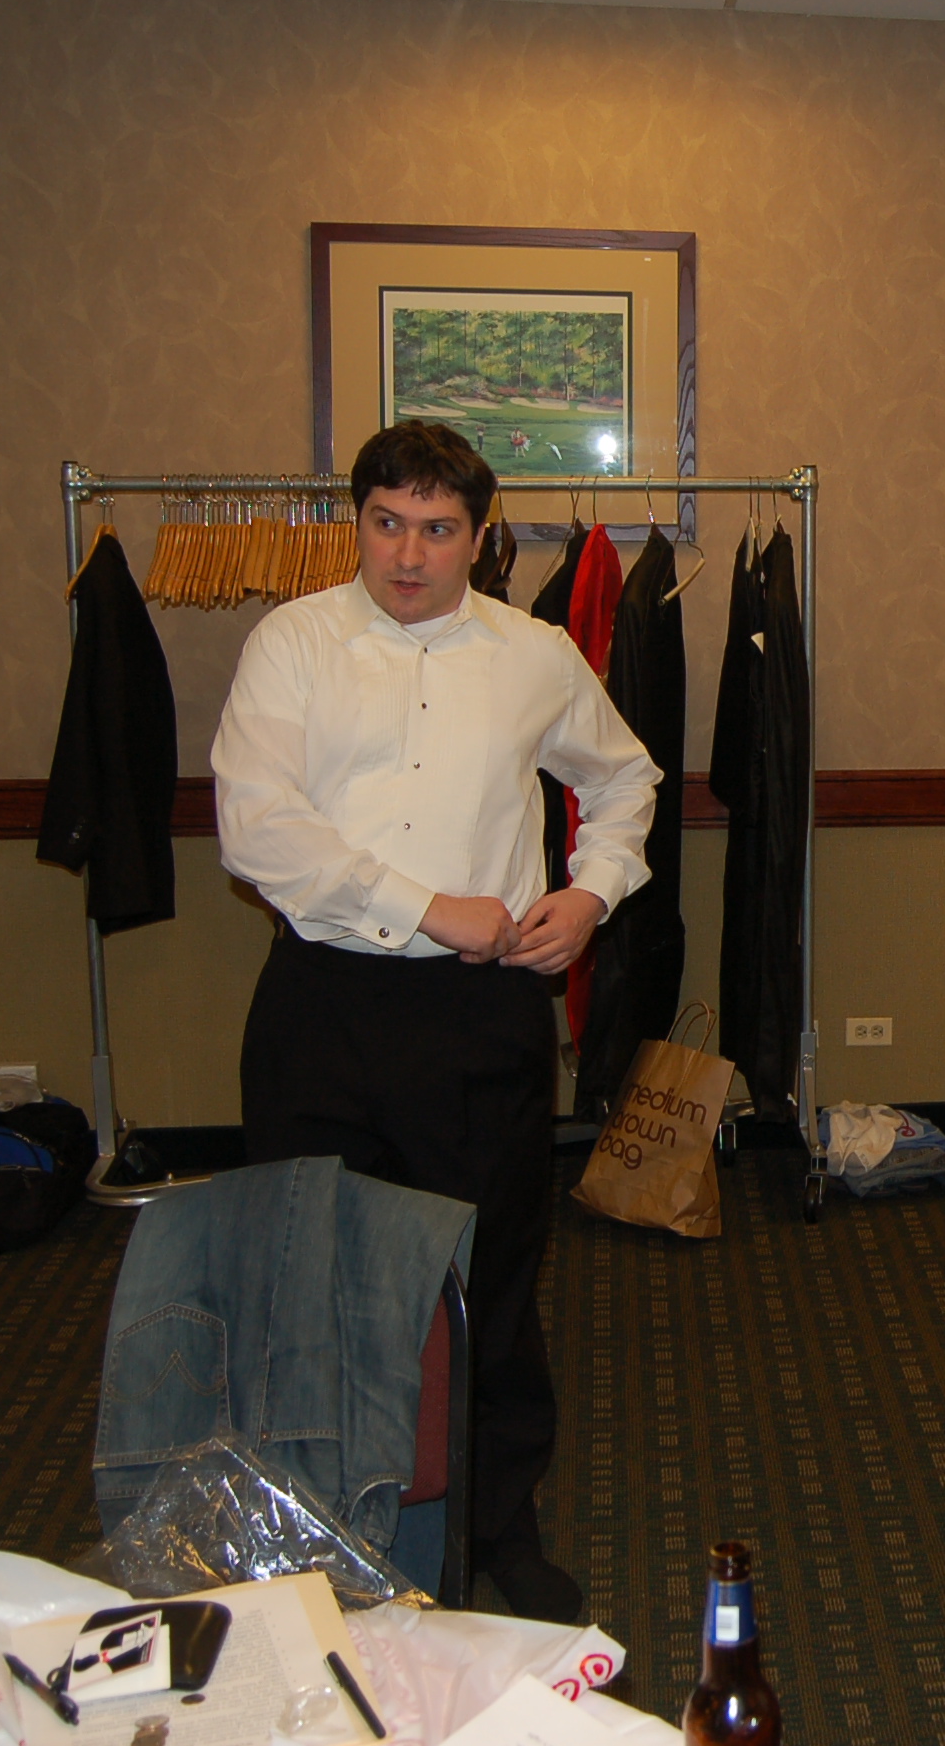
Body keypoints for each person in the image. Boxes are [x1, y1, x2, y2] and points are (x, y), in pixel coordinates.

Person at [213, 420, 658, 1624]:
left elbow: (625, 778)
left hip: (479, 1015)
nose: (408, 554)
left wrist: (590, 891)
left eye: (437, 528)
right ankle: (324, 1530)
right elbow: (257, 827)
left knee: (485, 1283)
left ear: (479, 535)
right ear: (356, 521)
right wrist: (424, 906)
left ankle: (492, 1524)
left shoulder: (533, 654)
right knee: (309, 1281)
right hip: (322, 1006)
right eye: (386, 523)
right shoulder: (292, 643)